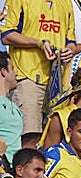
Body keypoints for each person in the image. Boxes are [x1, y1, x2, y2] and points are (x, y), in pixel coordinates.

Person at [1, 0, 77, 134]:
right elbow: (6, 35)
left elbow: (71, 41)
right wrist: (38, 43)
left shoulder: (66, 3)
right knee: (30, 137)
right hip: (28, 79)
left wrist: (69, 50)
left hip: (57, 84)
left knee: (55, 137)